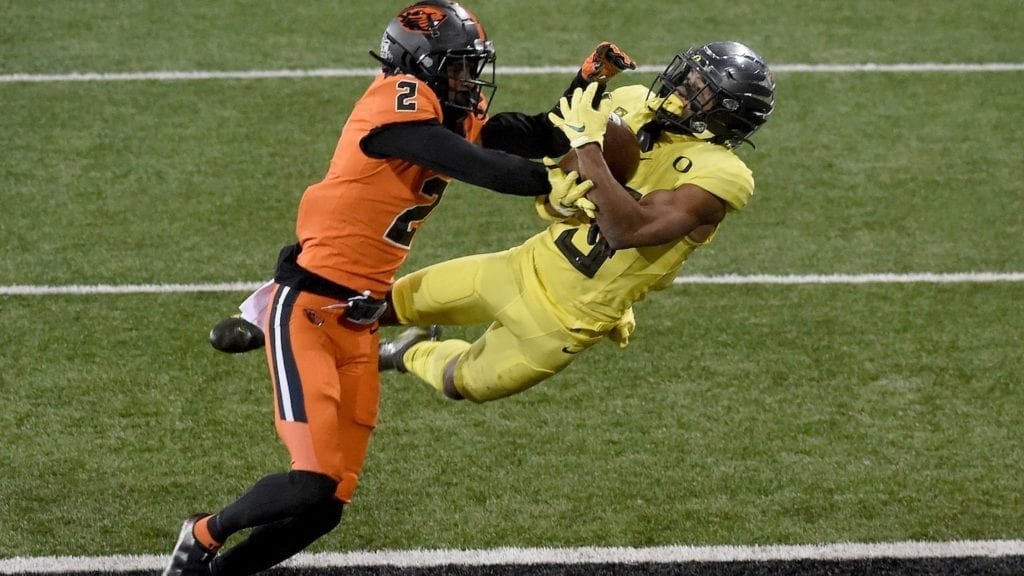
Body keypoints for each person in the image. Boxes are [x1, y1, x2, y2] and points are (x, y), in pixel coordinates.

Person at [161, 1, 635, 575]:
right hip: (309, 307)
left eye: (470, 66)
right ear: (418, 63)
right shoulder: (395, 100)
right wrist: (549, 183)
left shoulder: (449, 110)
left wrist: (586, 83)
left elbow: (530, 132)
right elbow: (468, 163)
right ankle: (203, 534)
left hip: (357, 322)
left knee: (326, 507)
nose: (468, 80)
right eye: (457, 67)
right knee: (309, 484)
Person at [377, 40, 776, 403]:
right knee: (379, 304)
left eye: (698, 89)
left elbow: (627, 230)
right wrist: (559, 201)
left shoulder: (722, 176)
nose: (679, 86)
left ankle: (408, 352)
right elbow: (562, 167)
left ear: (725, 117)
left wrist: (588, 144)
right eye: (687, 75)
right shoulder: (634, 102)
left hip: (564, 320)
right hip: (523, 264)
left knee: (460, 382)